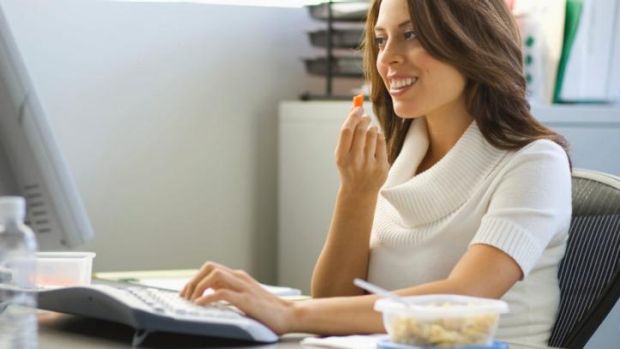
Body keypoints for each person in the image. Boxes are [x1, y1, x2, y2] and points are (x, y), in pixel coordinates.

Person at [180, 0, 572, 347]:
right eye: (381, 40)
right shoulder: (402, 156)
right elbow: (332, 299)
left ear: (470, 40)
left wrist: (288, 313)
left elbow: (466, 298)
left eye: (411, 34)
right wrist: (356, 193)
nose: (386, 60)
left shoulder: (535, 163)